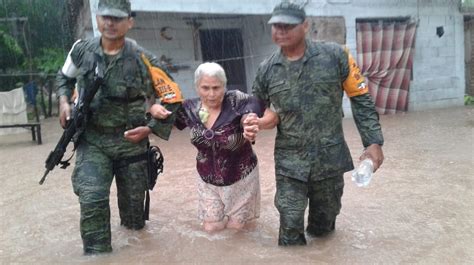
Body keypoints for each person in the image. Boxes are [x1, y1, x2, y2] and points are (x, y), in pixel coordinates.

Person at [243, 1, 384, 246]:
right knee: (290, 223)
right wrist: (256, 122)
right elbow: (257, 107)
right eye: (276, 26)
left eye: (288, 25)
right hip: (290, 161)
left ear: (305, 26)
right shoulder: (267, 69)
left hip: (329, 158)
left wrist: (373, 142)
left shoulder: (336, 56)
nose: (281, 31)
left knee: (324, 227)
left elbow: (360, 98)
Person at [56, 0, 180, 254]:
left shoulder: (144, 59)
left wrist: (151, 128)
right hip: (93, 141)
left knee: (134, 219)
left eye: (117, 18)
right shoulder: (81, 50)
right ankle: (96, 255)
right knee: (91, 199)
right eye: (106, 17)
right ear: (98, 19)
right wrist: (63, 102)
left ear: (130, 22)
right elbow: (65, 77)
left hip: (131, 144)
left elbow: (173, 97)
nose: (110, 23)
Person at [150, 62, 278, 232]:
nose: (211, 94)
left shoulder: (237, 101)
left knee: (236, 230)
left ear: (224, 86)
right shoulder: (189, 108)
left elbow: (272, 117)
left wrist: (257, 124)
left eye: (217, 88)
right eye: (205, 88)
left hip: (241, 176)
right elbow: (163, 123)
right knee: (211, 229)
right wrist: (154, 108)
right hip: (207, 179)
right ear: (196, 87)